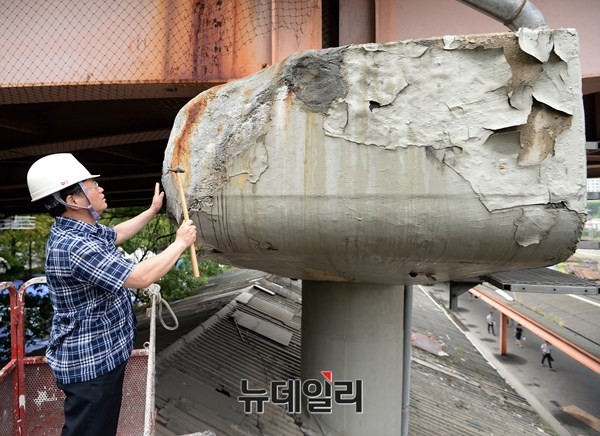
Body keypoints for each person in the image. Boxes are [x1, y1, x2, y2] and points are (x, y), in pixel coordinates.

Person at [26, 153, 197, 436]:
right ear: (74, 199)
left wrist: (151, 211)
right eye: (92, 185)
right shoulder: (74, 246)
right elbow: (140, 277)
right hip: (90, 364)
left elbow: (115, 234)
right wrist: (180, 243)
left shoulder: (81, 230)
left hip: (101, 355)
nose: (101, 188)